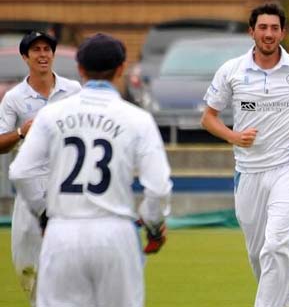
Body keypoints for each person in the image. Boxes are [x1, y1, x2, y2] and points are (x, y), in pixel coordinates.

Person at [9, 33, 172, 307]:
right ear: (121, 69)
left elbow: (21, 172)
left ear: (80, 69)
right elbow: (158, 187)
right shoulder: (138, 118)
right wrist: (154, 225)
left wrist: (45, 215)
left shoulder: (51, 115)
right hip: (115, 232)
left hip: (63, 231)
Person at [201, 3, 289, 307]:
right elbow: (208, 118)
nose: (268, 34)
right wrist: (234, 136)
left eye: (274, 28)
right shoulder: (232, 71)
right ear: (252, 32)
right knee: (259, 254)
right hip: (248, 173)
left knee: (275, 245)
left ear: (283, 32)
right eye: (262, 28)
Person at [0, 31, 81, 306]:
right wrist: (23, 131)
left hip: (67, 184)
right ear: (26, 57)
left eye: (47, 49)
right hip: (31, 184)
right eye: (36, 50)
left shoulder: (73, 91)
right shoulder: (15, 98)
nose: (43, 54)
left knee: (68, 261)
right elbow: (0, 143)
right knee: (27, 263)